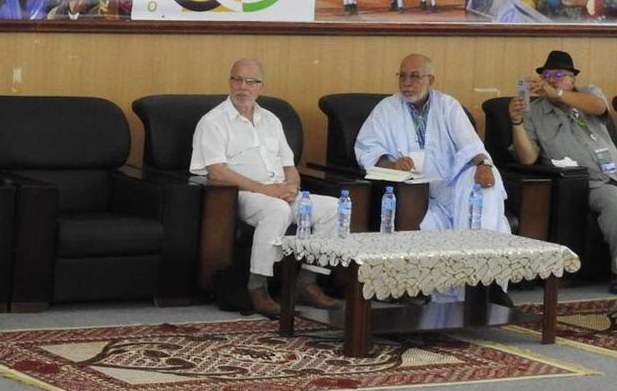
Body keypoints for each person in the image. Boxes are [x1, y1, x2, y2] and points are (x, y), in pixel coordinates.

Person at [509, 49, 617, 290]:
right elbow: (527, 159)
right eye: (546, 75)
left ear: (573, 80)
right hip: (588, 184)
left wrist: (559, 94)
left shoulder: (588, 94)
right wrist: (516, 121)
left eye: (559, 75)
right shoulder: (534, 112)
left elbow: (599, 108)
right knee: (615, 200)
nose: (552, 80)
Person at [189, 58, 338, 316]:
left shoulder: (271, 120)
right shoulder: (213, 121)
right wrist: (267, 190)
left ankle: (307, 282)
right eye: (237, 80)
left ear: (261, 87)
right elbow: (217, 171)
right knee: (276, 210)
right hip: (242, 195)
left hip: (280, 193)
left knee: (334, 208)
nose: (243, 87)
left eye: (250, 82)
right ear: (229, 82)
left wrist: (292, 187)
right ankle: (257, 289)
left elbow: (289, 166)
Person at [354, 53, 509, 242]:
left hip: (450, 187)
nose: (406, 83)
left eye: (414, 76)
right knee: (427, 224)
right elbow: (368, 148)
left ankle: (483, 248)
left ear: (431, 80)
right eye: (402, 76)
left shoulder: (448, 106)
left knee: (485, 176)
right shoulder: (386, 109)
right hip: (414, 193)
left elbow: (470, 143)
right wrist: (392, 165)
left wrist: (483, 164)